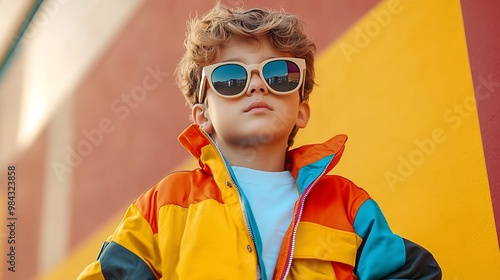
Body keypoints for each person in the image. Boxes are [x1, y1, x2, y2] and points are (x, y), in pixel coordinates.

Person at [78, 3, 441, 279]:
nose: (257, 84)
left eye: (280, 74)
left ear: (301, 109)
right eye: (231, 78)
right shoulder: (164, 207)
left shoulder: (347, 206)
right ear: (203, 116)